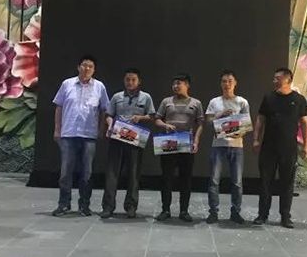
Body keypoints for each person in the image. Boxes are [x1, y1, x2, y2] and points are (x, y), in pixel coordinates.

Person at [52, 55, 109, 217]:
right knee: (65, 172)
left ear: (94, 70)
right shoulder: (67, 84)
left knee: (87, 173)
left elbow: (104, 109)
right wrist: (57, 129)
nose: (87, 69)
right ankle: (64, 204)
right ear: (78, 67)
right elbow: (59, 107)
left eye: (90, 66)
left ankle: (84, 205)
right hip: (68, 133)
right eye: (84, 65)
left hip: (89, 135)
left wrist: (101, 129)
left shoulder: (99, 87)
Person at [252, 67, 307, 229]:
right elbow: (260, 120)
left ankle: (285, 216)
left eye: (277, 78)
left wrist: (306, 145)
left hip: (289, 148)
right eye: (274, 78)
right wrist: (256, 140)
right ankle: (262, 214)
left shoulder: (298, 99)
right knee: (265, 182)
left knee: (287, 183)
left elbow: (304, 123)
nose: (274, 81)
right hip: (268, 147)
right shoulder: (269, 98)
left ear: (287, 79)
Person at [101, 68, 155, 219]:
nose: (130, 82)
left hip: (135, 138)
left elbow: (152, 116)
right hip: (117, 136)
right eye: (127, 80)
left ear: (139, 81)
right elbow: (109, 114)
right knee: (112, 173)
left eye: (133, 80)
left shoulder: (146, 97)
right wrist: (110, 125)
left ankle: (131, 207)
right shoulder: (117, 96)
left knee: (133, 174)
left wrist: (141, 118)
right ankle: (108, 207)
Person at [154, 73, 203, 222]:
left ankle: (184, 211)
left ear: (187, 85)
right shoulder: (166, 101)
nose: (176, 86)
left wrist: (196, 141)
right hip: (169, 142)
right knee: (166, 178)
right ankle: (165, 210)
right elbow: (157, 119)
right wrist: (165, 125)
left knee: (185, 179)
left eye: (179, 83)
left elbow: (200, 124)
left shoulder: (196, 103)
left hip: (186, 143)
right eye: (174, 83)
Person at [205, 70, 250, 225]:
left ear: (235, 83)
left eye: (230, 81)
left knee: (237, 182)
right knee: (214, 180)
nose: (227, 84)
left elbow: (246, 124)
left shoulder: (242, 102)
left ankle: (235, 212)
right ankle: (213, 212)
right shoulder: (214, 102)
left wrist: (236, 128)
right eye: (224, 81)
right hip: (218, 144)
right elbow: (208, 121)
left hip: (236, 145)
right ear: (221, 83)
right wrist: (221, 115)